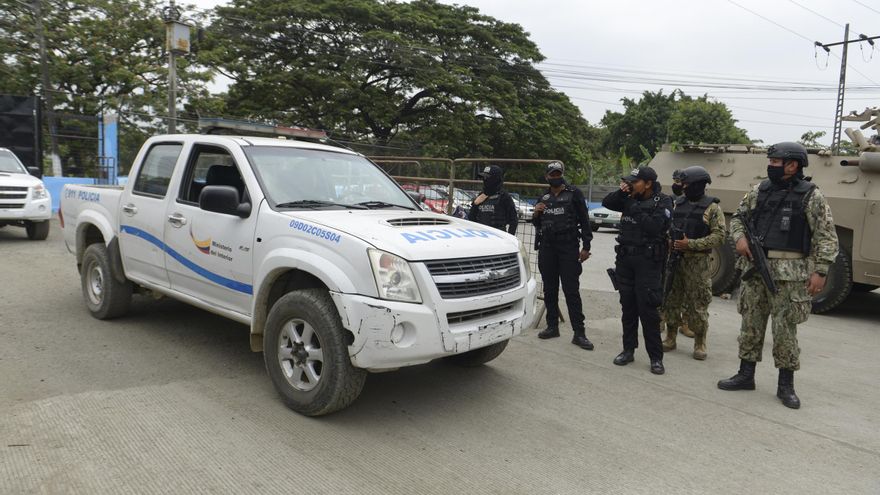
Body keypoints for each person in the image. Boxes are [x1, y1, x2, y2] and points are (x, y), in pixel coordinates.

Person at [718, 142, 838, 409]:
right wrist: (739, 238)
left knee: (785, 330)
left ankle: (786, 385)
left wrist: (820, 271)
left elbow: (826, 236)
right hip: (755, 270)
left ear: (792, 165)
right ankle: (745, 375)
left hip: (790, 275)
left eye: (774, 162)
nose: (770, 166)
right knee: (750, 323)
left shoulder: (811, 196)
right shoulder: (759, 190)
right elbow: (738, 217)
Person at [602, 167, 673, 374]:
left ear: (648, 183)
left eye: (635, 181)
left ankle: (655, 357)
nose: (630, 185)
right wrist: (623, 192)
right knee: (628, 306)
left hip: (648, 261)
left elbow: (654, 227)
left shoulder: (663, 201)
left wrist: (633, 205)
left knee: (648, 310)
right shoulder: (628, 197)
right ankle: (628, 349)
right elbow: (608, 202)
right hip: (625, 259)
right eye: (629, 181)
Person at [661, 165, 726, 360]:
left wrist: (692, 244)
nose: (684, 187)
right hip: (675, 260)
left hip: (698, 263)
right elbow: (667, 226)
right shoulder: (676, 204)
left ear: (699, 185)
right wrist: (669, 240)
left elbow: (720, 236)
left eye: (687, 184)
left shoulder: (712, 207)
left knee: (698, 304)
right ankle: (670, 337)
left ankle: (700, 342)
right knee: (671, 300)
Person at [532, 161, 594, 350]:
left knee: (571, 291)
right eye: (552, 174)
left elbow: (584, 220)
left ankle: (579, 333)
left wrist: (586, 246)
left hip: (568, 247)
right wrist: (536, 213)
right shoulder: (543, 196)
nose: (556, 176)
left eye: (559, 173)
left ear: (563, 174)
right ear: (547, 177)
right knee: (550, 289)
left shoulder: (574, 193)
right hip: (548, 247)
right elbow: (537, 224)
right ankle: (552, 327)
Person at [665, 169, 695, 339]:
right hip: (671, 247)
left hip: (688, 248)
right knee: (667, 286)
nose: (677, 184)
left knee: (688, 290)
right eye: (675, 180)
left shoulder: (694, 201)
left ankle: (685, 322)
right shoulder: (670, 200)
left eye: (679, 181)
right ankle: (662, 319)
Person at [468, 165, 518, 234]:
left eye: (487, 178)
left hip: (498, 236)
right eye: (483, 178)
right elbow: (471, 219)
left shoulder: (504, 196)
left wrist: (509, 238)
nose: (484, 180)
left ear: (495, 179)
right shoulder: (481, 195)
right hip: (481, 235)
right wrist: (475, 204)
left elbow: (513, 220)